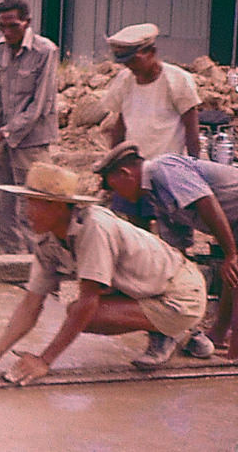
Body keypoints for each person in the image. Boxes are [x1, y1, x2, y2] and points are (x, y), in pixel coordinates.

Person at [0, 162, 209, 383]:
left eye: (35, 204)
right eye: (27, 202)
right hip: (146, 286)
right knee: (81, 311)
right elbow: (31, 302)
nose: (27, 212)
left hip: (181, 293)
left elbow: (88, 303)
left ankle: (175, 330)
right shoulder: (48, 240)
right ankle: (168, 329)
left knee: (83, 313)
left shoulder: (94, 227)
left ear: (59, 207)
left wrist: (44, 360)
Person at [94, 141, 238, 359]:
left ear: (125, 173)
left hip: (231, 215)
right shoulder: (156, 197)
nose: (118, 196)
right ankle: (218, 335)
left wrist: (230, 254)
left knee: (235, 270)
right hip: (234, 221)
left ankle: (234, 357)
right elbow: (176, 249)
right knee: (232, 277)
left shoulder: (164, 168)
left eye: (114, 189)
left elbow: (206, 202)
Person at [0, 0, 59, 254]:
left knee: (31, 209)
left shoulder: (46, 51)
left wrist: (2, 133)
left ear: (27, 23)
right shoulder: (0, 49)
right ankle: (7, 263)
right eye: (2, 27)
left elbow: (39, 106)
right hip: (4, 142)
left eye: (13, 26)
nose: (7, 33)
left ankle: (37, 269)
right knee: (2, 205)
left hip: (32, 144)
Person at [102, 23, 200, 160]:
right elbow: (121, 123)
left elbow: (191, 129)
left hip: (168, 165)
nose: (130, 66)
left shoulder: (178, 80)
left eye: (134, 60)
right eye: (126, 62)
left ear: (152, 52)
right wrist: (112, 161)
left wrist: (194, 165)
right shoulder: (124, 80)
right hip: (135, 164)